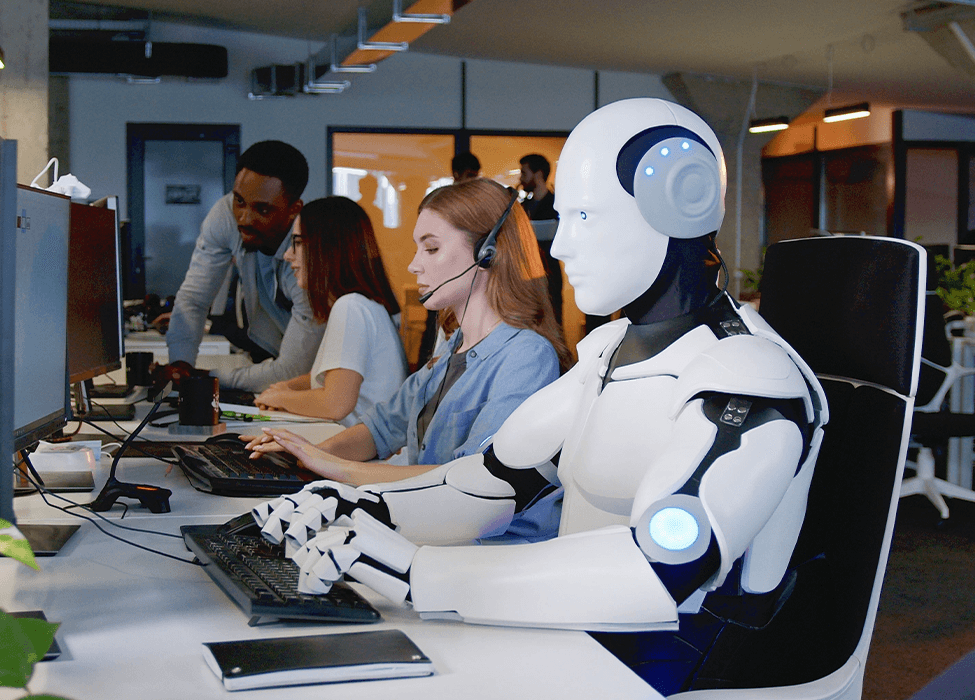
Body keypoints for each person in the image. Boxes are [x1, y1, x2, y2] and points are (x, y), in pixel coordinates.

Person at [250, 99, 828, 695]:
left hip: (671, 663)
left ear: (682, 201)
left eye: (586, 217)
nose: (558, 248)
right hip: (581, 636)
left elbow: (659, 570)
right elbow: (491, 482)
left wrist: (418, 571)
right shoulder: (607, 352)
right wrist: (355, 508)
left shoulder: (748, 379)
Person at [247, 178, 569, 499]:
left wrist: (335, 467)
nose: (414, 265)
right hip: (428, 527)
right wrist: (307, 455)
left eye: (431, 248)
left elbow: (473, 480)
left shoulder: (526, 357)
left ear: (487, 253)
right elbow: (380, 428)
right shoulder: (452, 347)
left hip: (484, 545)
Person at [163, 140, 323, 393]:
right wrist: (180, 365)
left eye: (262, 209)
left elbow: (293, 371)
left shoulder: (311, 258)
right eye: (239, 201)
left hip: (322, 383)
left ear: (294, 209)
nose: (244, 218)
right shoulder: (226, 214)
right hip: (278, 363)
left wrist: (204, 377)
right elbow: (194, 299)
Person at [251, 197, 407, 427]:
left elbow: (335, 403)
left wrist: (281, 398)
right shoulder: (365, 306)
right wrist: (290, 387)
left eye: (298, 243)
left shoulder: (350, 307)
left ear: (328, 247)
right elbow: (336, 379)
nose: (287, 256)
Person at [519, 153, 562, 324]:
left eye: (524, 173)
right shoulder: (522, 206)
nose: (521, 178)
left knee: (553, 321)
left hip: (549, 273)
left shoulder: (556, 204)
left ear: (537, 174)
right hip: (527, 275)